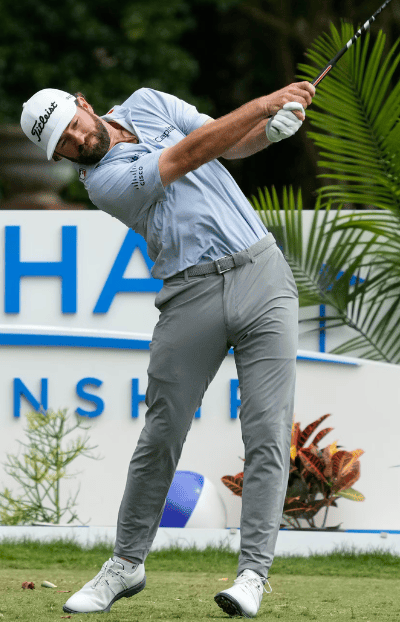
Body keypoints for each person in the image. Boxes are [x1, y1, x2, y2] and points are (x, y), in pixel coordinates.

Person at [18, 81, 314, 618]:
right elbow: (186, 155)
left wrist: (266, 132)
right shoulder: (103, 181)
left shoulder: (148, 103)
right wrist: (263, 103)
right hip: (189, 293)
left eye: (72, 125)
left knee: (268, 430)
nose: (75, 140)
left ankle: (252, 574)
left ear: (83, 103)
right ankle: (126, 564)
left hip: (261, 274)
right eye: (61, 144)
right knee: (162, 432)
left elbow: (224, 143)